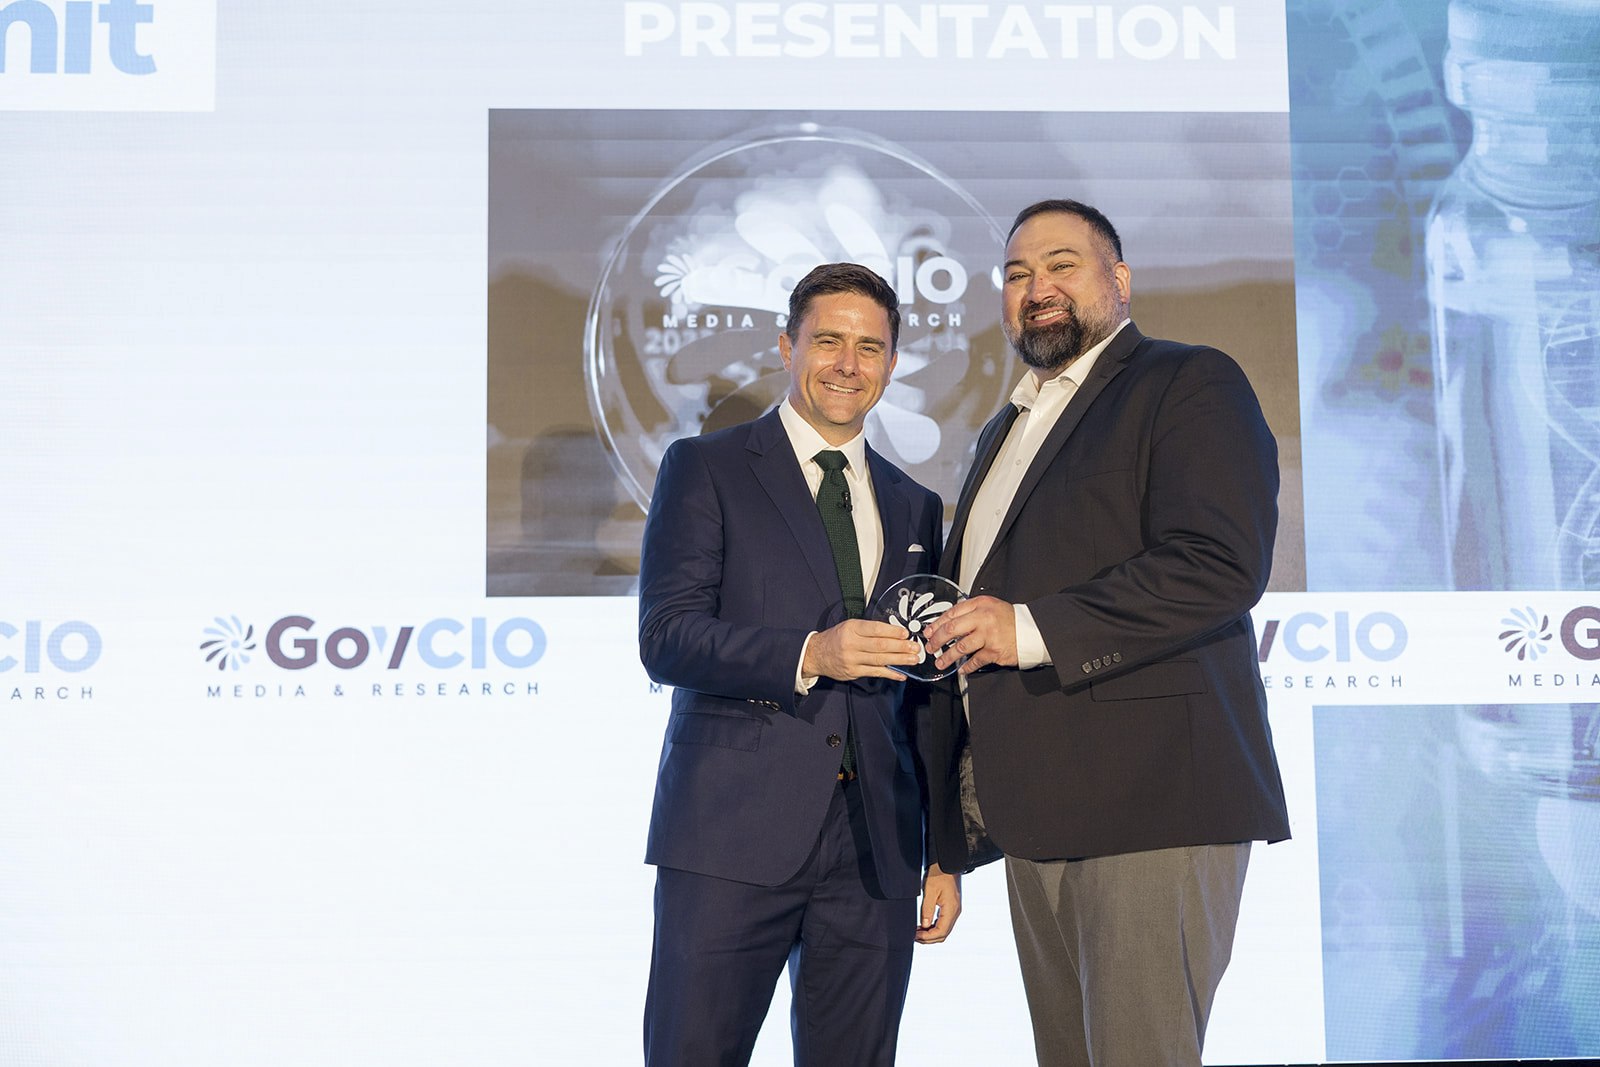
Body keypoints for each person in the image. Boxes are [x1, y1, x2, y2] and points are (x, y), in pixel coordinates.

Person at [920, 199, 1291, 1067]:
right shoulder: (1003, 428)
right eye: (1017, 273)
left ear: (1118, 281)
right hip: (1035, 813)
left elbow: (1219, 563)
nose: (1037, 287)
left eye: (1062, 264)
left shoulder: (1187, 381)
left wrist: (1031, 627)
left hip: (1153, 803)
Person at [639, 262, 962, 1066]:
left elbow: (927, 692)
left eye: (870, 347)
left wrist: (944, 849)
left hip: (876, 850)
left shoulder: (915, 504)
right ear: (787, 347)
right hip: (729, 838)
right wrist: (810, 653)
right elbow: (667, 636)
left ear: (892, 363)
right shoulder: (705, 467)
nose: (848, 364)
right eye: (828, 341)